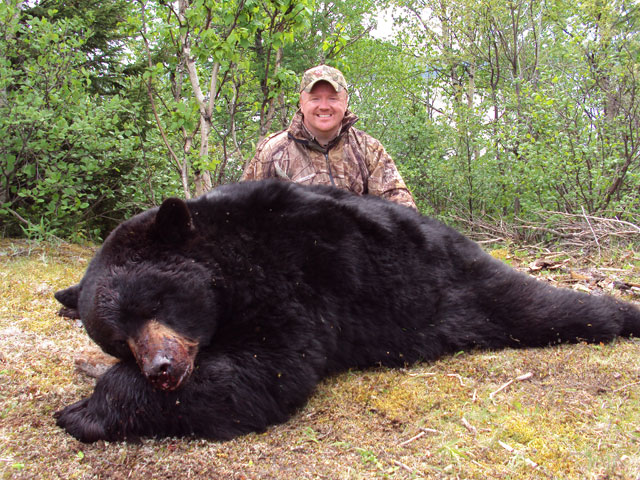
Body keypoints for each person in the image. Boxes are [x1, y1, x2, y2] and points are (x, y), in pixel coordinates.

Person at [241, 64, 417, 210]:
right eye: (315, 99)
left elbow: (401, 208)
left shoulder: (368, 149)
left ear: (345, 102)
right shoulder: (273, 151)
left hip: (355, 250)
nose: (324, 106)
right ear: (301, 103)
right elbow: (244, 211)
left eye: (333, 98)